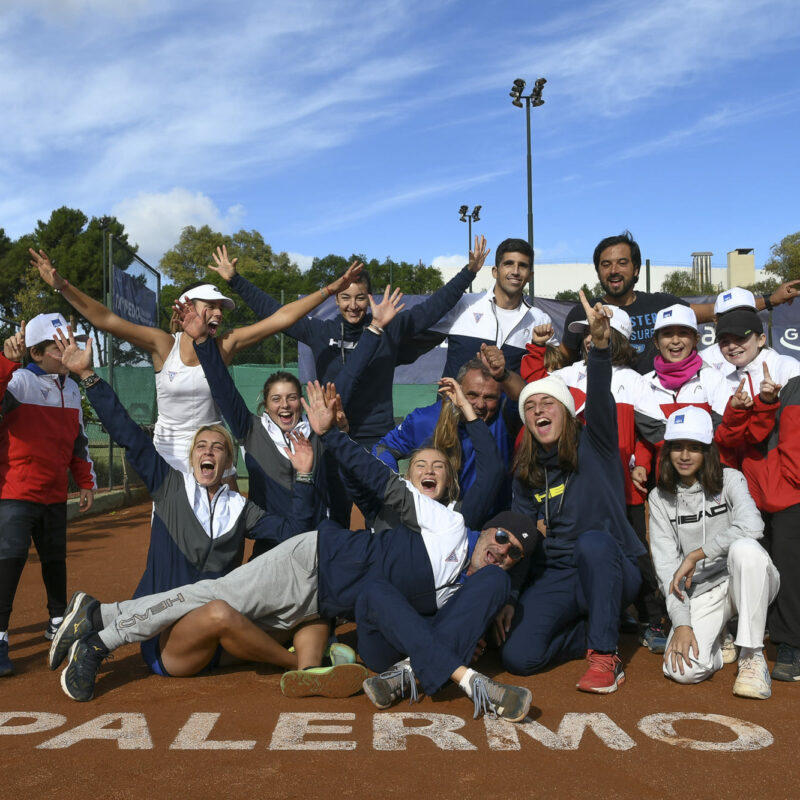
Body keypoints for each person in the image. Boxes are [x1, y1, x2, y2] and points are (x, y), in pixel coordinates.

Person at [52, 381, 535, 721]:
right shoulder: (449, 524)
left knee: (251, 623)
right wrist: (331, 436)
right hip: (313, 562)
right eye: (501, 538)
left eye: (513, 552)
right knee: (211, 596)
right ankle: (102, 632)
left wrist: (503, 598)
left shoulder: (461, 590)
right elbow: (383, 485)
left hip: (327, 602)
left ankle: (99, 612)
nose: (503, 550)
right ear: (486, 529)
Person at [47, 327, 350, 694]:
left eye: (218, 447)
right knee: (219, 609)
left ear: (227, 462)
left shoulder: (241, 510)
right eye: (201, 446)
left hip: (220, 638)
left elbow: (295, 534)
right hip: (167, 635)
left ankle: (309, 669)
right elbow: (127, 433)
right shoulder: (169, 485)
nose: (208, 451)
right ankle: (299, 665)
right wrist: (87, 376)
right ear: (192, 458)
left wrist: (304, 476)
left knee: (311, 608)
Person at [31, 246, 363, 473]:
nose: (218, 312)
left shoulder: (225, 345)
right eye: (211, 305)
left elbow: (282, 318)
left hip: (216, 453)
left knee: (225, 542)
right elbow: (105, 319)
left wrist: (328, 290)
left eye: (222, 308)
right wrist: (62, 286)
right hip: (170, 456)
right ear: (187, 308)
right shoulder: (163, 345)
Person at [186, 286, 405, 556]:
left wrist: (374, 330)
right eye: (276, 399)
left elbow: (349, 376)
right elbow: (222, 387)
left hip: (322, 546)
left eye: (292, 397)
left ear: (301, 402)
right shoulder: (251, 430)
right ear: (265, 404)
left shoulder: (318, 428)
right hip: (272, 550)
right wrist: (203, 344)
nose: (285, 405)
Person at [500, 292, 645, 693]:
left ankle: (604, 655)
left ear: (566, 411)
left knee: (594, 544)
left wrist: (599, 346)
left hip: (611, 563)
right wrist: (512, 596)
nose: (538, 411)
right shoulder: (527, 472)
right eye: (530, 408)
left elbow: (600, 395)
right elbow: (523, 539)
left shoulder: (594, 441)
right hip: (560, 574)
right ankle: (590, 630)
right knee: (518, 658)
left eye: (548, 403)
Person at [520, 309, 668, 653]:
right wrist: (535, 351)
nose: (589, 337)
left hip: (618, 490)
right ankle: (593, 618)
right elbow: (534, 393)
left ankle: (645, 620)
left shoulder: (633, 381)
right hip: (578, 485)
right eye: (585, 332)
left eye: (599, 332)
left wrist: (641, 463)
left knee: (627, 555)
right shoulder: (565, 375)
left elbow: (654, 433)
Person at [649, 407, 779, 698]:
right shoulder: (659, 498)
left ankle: (752, 655)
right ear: (667, 451)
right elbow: (668, 569)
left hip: (745, 578)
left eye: (694, 448)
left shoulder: (730, 479)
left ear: (707, 450)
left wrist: (697, 554)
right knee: (681, 669)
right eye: (677, 447)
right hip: (702, 590)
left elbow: (753, 525)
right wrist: (681, 624)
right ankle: (720, 640)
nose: (684, 456)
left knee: (746, 549)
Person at [0, 314, 96, 678]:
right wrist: (7, 361)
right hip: (15, 491)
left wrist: (85, 481)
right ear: (36, 352)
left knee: (55, 559)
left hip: (55, 493)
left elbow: (78, 441)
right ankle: (0, 636)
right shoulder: (18, 381)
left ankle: (58, 622)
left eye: (70, 341)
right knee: (8, 562)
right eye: (59, 345)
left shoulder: (71, 388)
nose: (67, 349)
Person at [560, 232, 800, 374]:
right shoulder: (583, 313)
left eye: (622, 263)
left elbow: (717, 310)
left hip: (658, 403)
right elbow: (563, 360)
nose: (613, 270)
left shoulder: (661, 304)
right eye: (605, 264)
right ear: (598, 271)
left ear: (635, 270)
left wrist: (772, 299)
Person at [714, 365, 800, 682]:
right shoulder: (718, 375)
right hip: (751, 492)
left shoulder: (789, 374)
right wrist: (747, 407)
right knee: (750, 567)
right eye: (727, 338)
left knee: (790, 570)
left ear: (760, 337)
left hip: (790, 493)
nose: (734, 345)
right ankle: (750, 633)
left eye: (742, 337)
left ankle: (790, 644)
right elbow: (737, 436)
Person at [372, 357, 519, 517]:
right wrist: (398, 490)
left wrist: (503, 373)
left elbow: (522, 394)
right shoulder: (426, 419)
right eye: (472, 395)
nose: (480, 404)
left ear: (501, 396)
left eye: (490, 397)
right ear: (457, 390)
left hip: (494, 520)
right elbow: (382, 449)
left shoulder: (506, 415)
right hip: (438, 518)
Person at [427, 238, 556, 378]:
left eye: (523, 266)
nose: (516, 271)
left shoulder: (539, 319)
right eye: (508, 264)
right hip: (454, 400)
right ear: (495, 271)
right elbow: (421, 331)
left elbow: (554, 368)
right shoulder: (463, 304)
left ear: (530, 276)